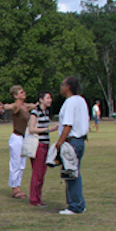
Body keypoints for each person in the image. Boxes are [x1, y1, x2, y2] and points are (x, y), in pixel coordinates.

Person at [55, 77, 89, 215]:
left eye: (63, 84)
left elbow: (68, 125)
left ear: (68, 87)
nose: (61, 87)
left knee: (70, 174)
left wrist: (60, 142)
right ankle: (79, 203)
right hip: (80, 140)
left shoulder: (70, 102)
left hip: (72, 141)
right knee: (75, 172)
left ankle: (74, 206)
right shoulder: (81, 100)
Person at [0, 85, 36, 199]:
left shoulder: (25, 106)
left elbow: (33, 105)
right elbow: (11, 106)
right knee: (15, 164)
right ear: (15, 95)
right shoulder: (17, 107)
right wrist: (4, 107)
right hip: (17, 138)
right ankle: (15, 189)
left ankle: (18, 186)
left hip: (25, 138)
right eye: (21, 92)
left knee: (22, 165)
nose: (24, 93)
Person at [27, 91, 57, 207]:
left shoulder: (45, 112)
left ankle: (38, 197)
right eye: (48, 98)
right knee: (37, 173)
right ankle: (34, 199)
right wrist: (49, 129)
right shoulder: (36, 112)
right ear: (41, 99)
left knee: (42, 174)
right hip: (38, 145)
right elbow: (32, 129)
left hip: (45, 145)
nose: (50, 100)